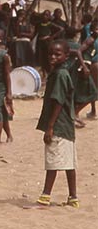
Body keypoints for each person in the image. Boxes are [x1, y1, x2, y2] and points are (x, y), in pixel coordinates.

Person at [35, 40, 79, 208]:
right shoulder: (60, 72)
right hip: (66, 125)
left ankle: (45, 196)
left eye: (57, 54)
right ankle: (73, 197)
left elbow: (58, 101)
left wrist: (50, 126)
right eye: (50, 54)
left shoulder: (61, 75)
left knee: (53, 161)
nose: (53, 57)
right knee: (69, 162)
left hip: (59, 125)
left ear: (66, 56)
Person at [65, 28, 97, 128]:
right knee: (93, 93)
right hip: (83, 67)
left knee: (81, 92)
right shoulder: (90, 40)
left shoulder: (93, 40)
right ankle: (74, 114)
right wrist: (83, 66)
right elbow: (79, 51)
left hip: (85, 66)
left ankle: (75, 114)